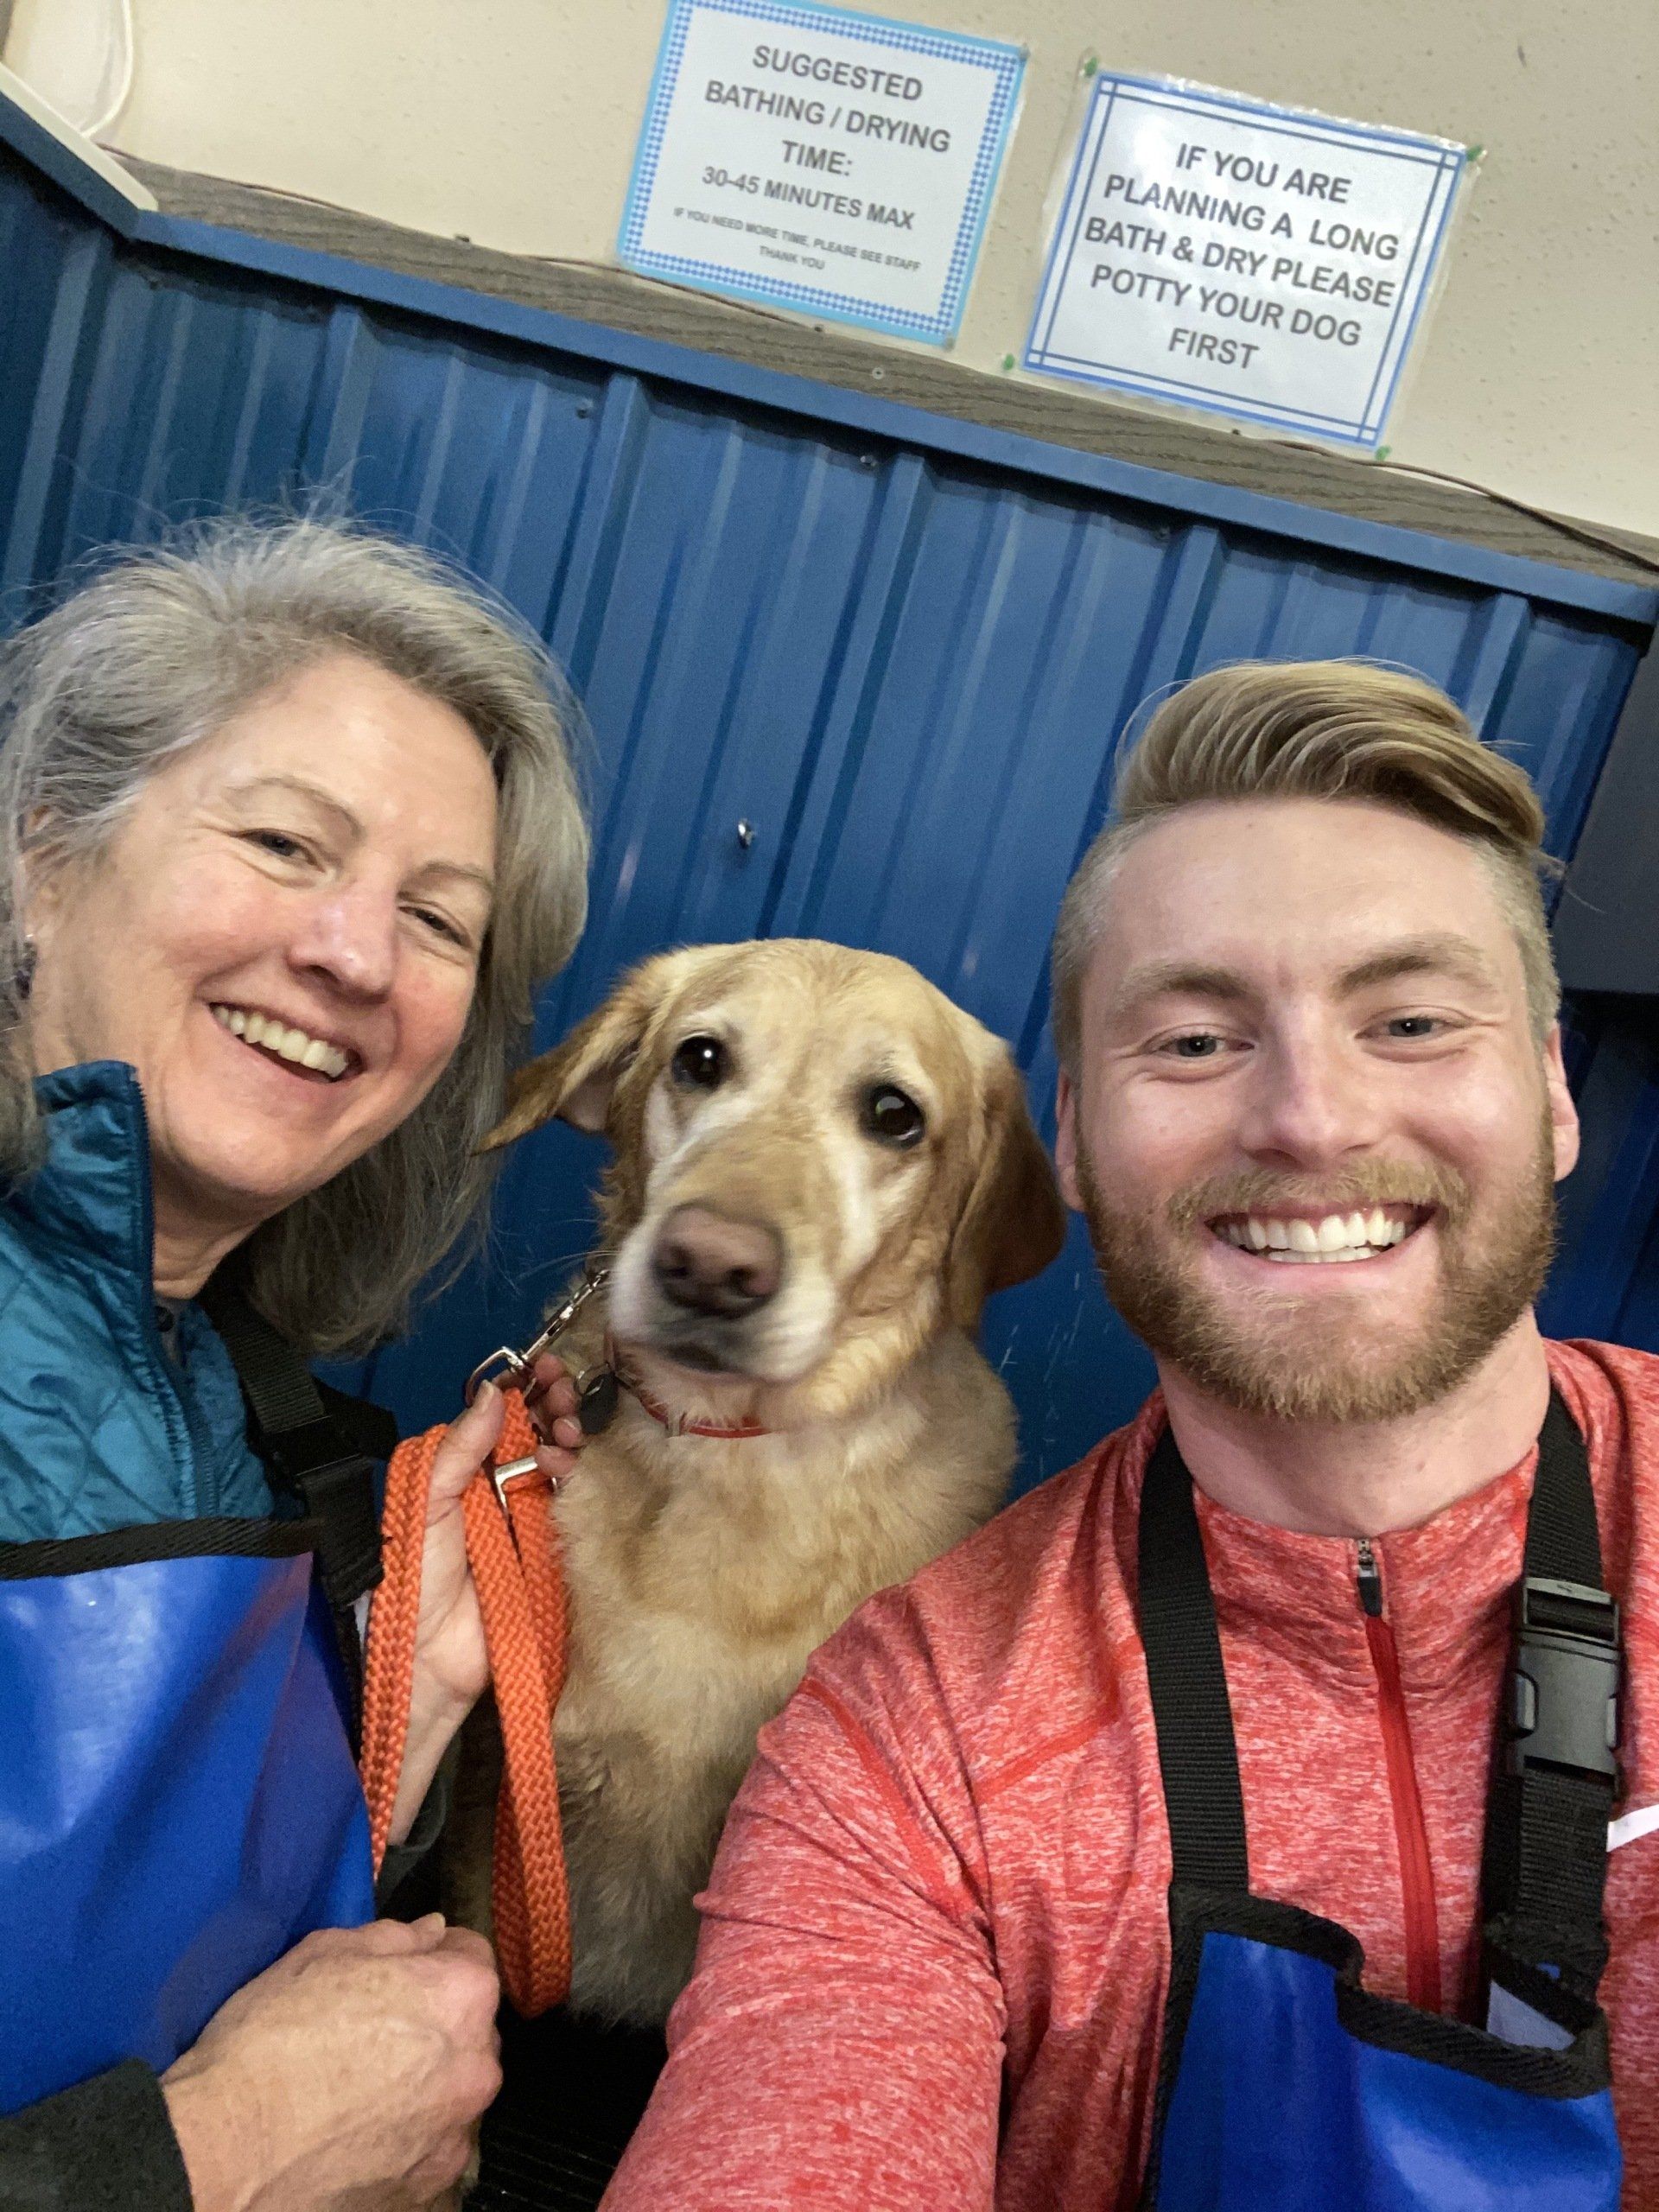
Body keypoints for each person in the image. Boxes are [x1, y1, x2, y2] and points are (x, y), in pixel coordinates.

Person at [601, 660, 1659, 2209]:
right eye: (1195, 1040)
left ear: (1554, 1096)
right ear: (1078, 1144)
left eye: (1413, 1019)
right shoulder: (911, 1733)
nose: (1310, 1118)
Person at [0, 518, 591, 2211]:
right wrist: (229, 2155)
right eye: (281, 841)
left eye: (438, 917)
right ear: (48, 852)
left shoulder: (290, 1440)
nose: (352, 952)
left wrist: (399, 1711)